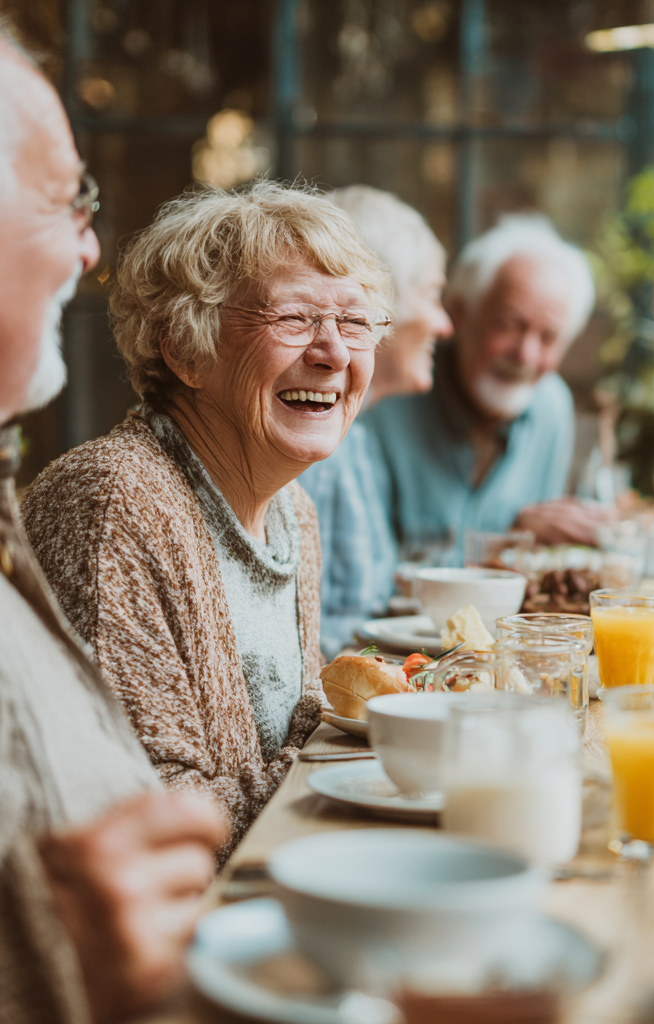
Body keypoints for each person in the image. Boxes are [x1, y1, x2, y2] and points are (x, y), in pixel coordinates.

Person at [21, 179, 392, 848]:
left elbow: (289, 734)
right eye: (295, 318)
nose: (334, 352)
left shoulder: (291, 513)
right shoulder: (113, 500)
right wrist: (354, 760)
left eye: (355, 322)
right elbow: (146, 813)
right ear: (186, 349)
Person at [0, 31, 226, 1023]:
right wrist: (33, 959)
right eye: (66, 203)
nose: (91, 248)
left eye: (359, 322)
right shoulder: (111, 492)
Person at [362, 214, 608, 559]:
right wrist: (503, 546)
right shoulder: (386, 401)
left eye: (549, 337)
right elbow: (362, 581)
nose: (526, 355)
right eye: (509, 326)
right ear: (461, 313)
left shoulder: (553, 407)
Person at [300, 186, 453, 656]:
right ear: (379, 303)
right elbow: (299, 642)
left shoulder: (357, 438)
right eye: (432, 295)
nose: (444, 325)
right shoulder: (308, 447)